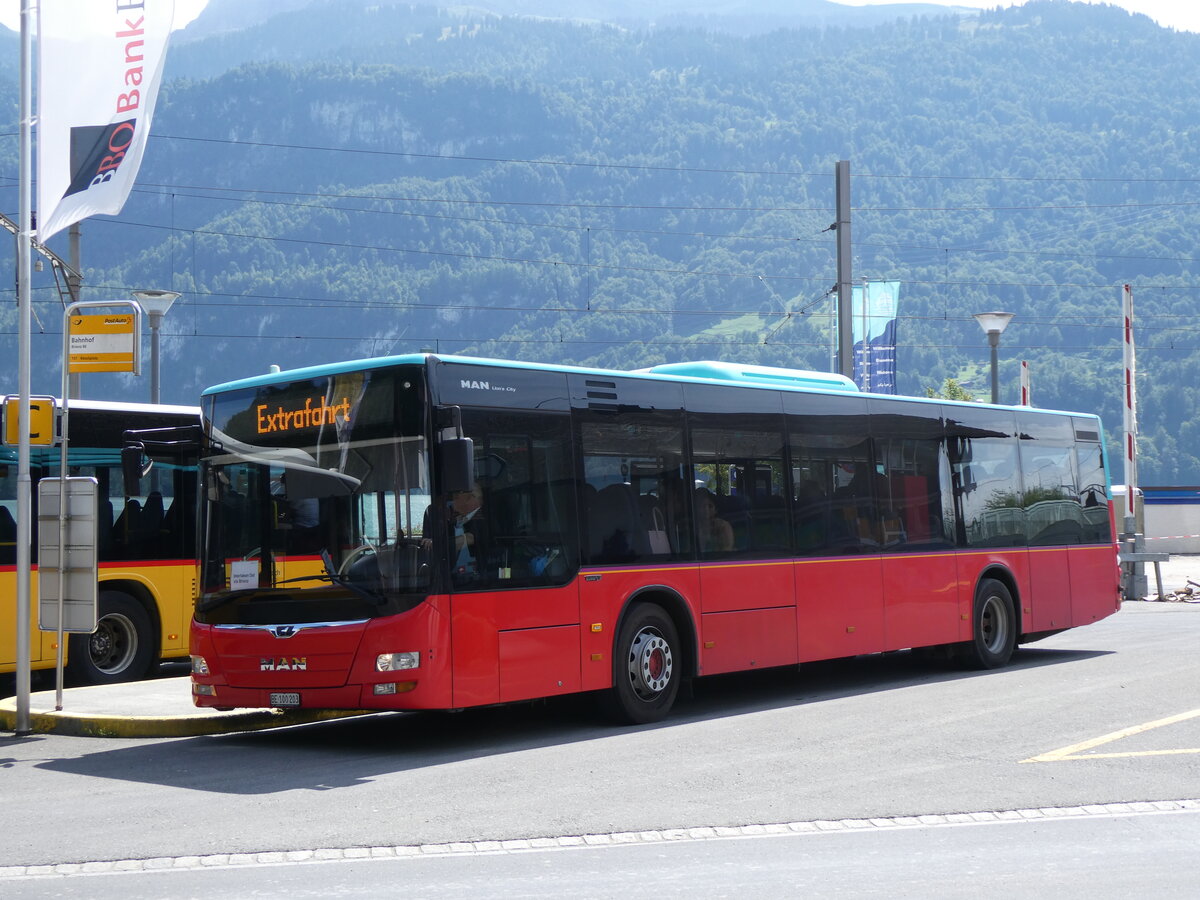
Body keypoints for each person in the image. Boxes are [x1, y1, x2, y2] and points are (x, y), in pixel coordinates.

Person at [449, 482, 488, 576]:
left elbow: (471, 538)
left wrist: (439, 545)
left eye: (457, 497)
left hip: (476, 576)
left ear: (471, 498)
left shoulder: (480, 517)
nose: (453, 501)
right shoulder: (463, 518)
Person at [695, 487, 734, 552]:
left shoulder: (723, 526)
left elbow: (727, 549)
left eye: (710, 506)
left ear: (716, 510)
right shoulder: (691, 527)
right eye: (702, 506)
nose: (706, 510)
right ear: (696, 509)